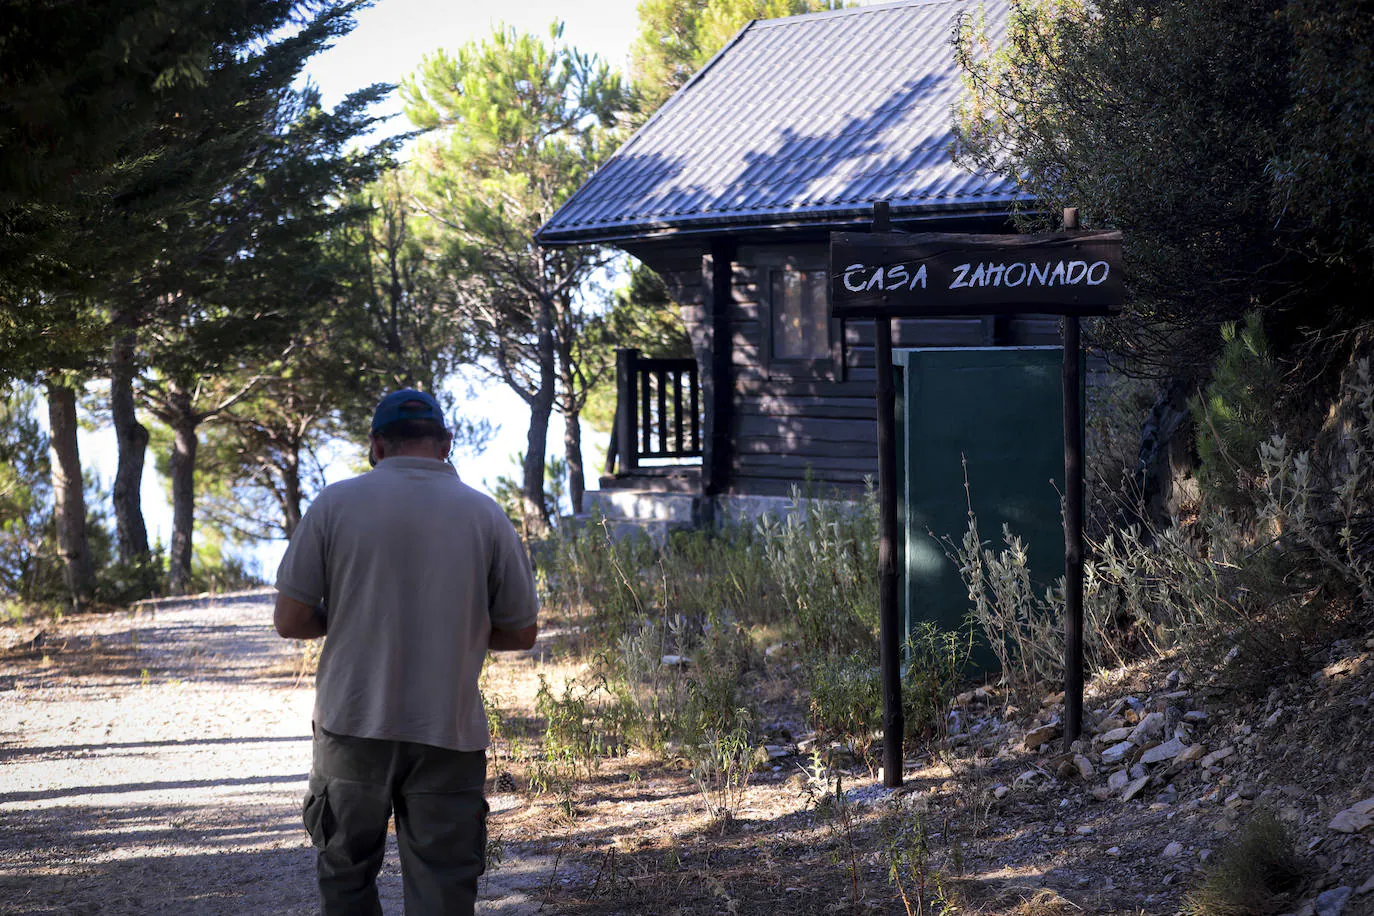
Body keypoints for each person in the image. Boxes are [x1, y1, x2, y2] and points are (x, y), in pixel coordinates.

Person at [273, 388, 539, 916]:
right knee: (444, 885)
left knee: (346, 876)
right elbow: (522, 632)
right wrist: (453, 627)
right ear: (445, 443)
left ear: (375, 445)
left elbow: (290, 620)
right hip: (449, 730)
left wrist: (350, 617)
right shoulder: (485, 514)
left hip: (351, 724)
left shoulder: (335, 504)